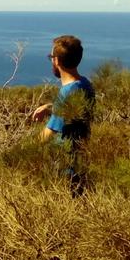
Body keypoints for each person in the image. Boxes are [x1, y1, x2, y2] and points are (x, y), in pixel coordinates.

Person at [31, 35, 95, 194]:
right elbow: (73, 111)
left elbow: (48, 135)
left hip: (65, 169)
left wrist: (23, 152)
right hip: (81, 163)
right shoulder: (85, 84)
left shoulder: (66, 93)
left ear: (57, 61)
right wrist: (50, 106)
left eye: (51, 57)